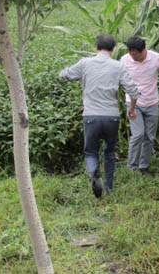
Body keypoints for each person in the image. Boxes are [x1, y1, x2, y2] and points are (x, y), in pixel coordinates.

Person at [59, 34, 140, 198]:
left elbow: (64, 75)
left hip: (91, 116)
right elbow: (133, 90)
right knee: (109, 152)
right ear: (113, 49)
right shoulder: (118, 66)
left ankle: (94, 176)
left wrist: (63, 73)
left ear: (96, 48)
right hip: (111, 117)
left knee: (90, 153)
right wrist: (131, 109)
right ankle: (109, 187)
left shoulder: (85, 63)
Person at [120, 36, 159, 175]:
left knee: (149, 137)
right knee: (138, 134)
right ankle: (131, 167)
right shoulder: (125, 60)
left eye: (135, 54)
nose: (133, 57)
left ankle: (143, 167)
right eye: (130, 53)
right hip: (133, 103)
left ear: (143, 50)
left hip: (152, 102)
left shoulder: (155, 58)